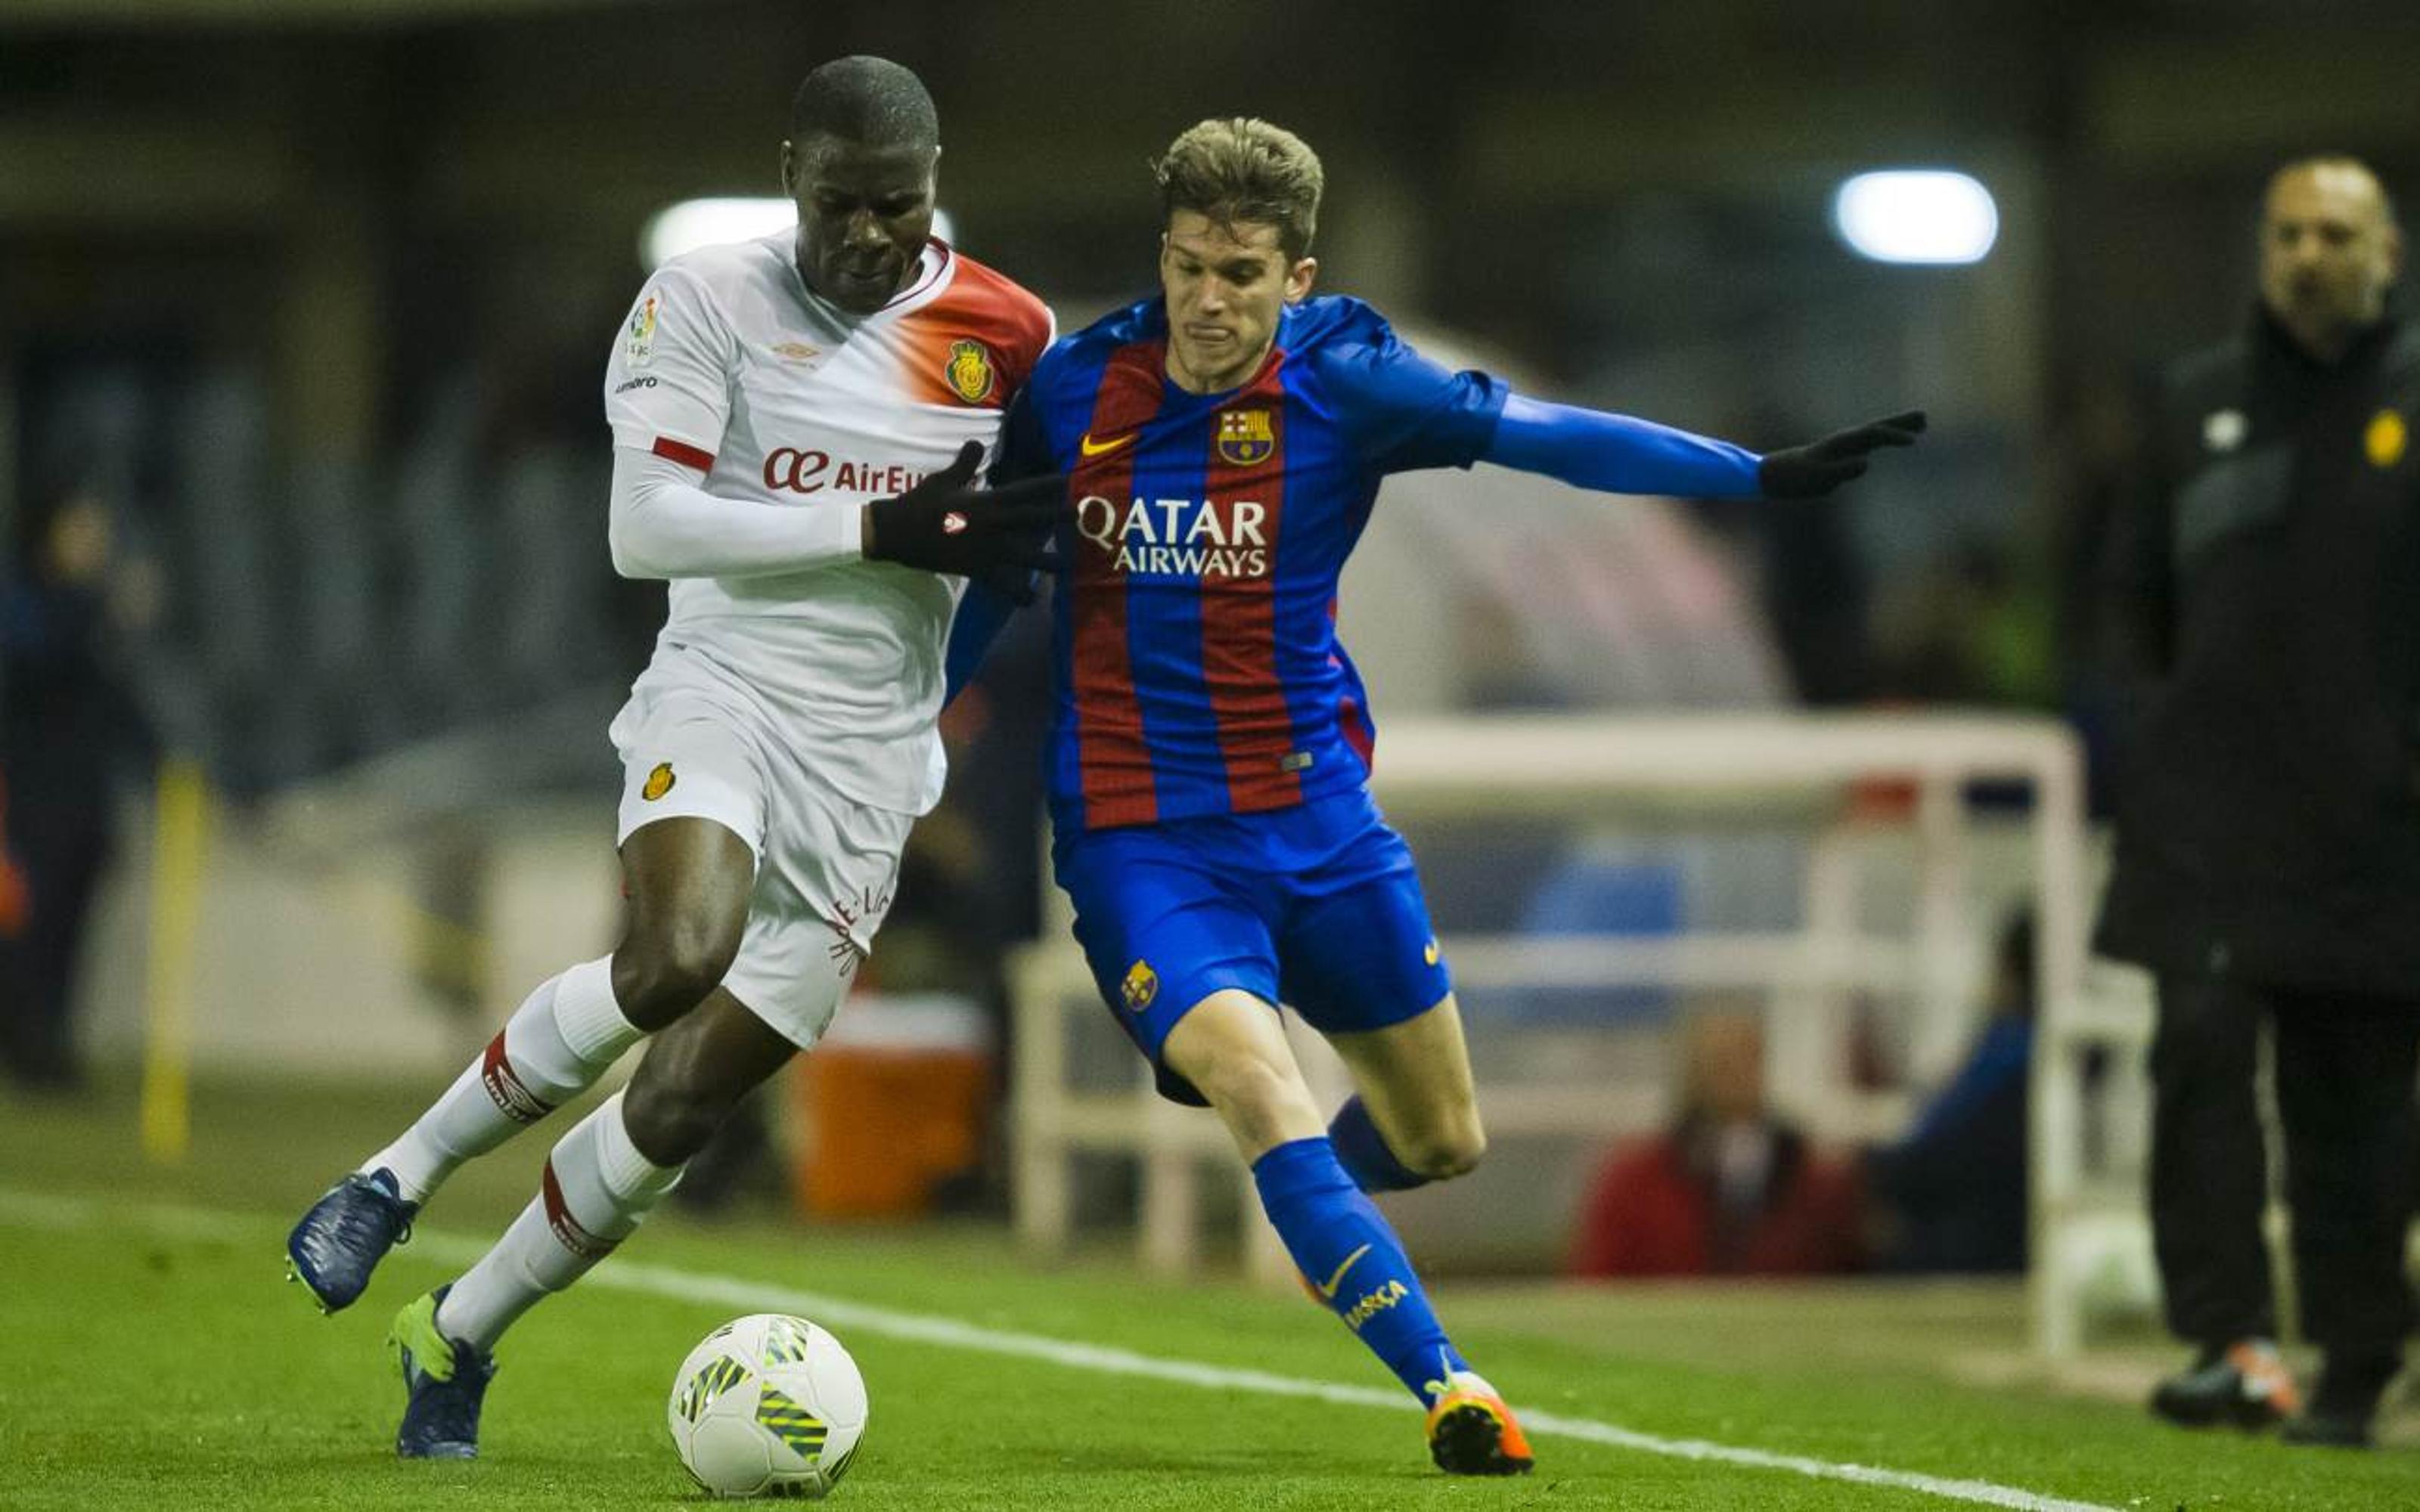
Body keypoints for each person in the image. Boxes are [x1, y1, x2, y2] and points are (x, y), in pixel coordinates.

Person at [951, 117, 1922, 1476]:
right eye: (1186, 266)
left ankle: (1321, 1208)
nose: (1207, 301)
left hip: (1320, 826)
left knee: (1442, 1138)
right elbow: (993, 570)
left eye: (1239, 272)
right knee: (1259, 1081)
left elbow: (1549, 439)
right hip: (1142, 842)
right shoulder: (1075, 389)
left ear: (1298, 277)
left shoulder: (1349, 380)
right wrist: (908, 723)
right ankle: (1452, 1387)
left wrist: (1748, 475)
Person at [283, 55, 1063, 1459]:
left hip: (871, 769)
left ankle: (455, 1334)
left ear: (935, 188)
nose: (871, 235)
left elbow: (1026, 522)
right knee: (670, 959)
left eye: (899, 205)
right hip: (722, 692)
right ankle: (390, 1181)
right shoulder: (702, 300)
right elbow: (646, 528)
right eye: (841, 204)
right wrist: (875, 531)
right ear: (790, 176)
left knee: (679, 1108)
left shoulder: (1009, 332)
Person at [2096, 155, 2418, 1449]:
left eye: (2335, 233)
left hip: (2371, 832)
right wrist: (2163, 741)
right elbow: (2132, 607)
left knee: (2353, 1114)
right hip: (2212, 825)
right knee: (2202, 1063)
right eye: (2287, 232)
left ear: (2386, 253)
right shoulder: (2195, 405)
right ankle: (2232, 1341)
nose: (2307, 253)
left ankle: (2355, 1361)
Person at [0, 491, 154, 1091]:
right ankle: (28, 1048)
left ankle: (51, 1049)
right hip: (33, 799)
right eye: (81, 528)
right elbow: (38, 662)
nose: (94, 541)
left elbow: (116, 706)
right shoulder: (29, 602)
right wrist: (104, 609)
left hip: (87, 801)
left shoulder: (92, 618)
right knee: (29, 931)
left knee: (71, 931)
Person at [1568, 1009, 1864, 1278]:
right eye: (1721, 1060)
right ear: (1694, 1069)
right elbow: (1600, 1274)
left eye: (1747, 1057)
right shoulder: (1635, 1178)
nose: (1735, 1072)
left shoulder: (1814, 1178)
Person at [1863, 913, 2035, 1275]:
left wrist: (1869, 1170)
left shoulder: (2012, 1055)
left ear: (2009, 971)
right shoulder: (2020, 1054)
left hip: (1975, 1250)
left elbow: (1929, 1159)